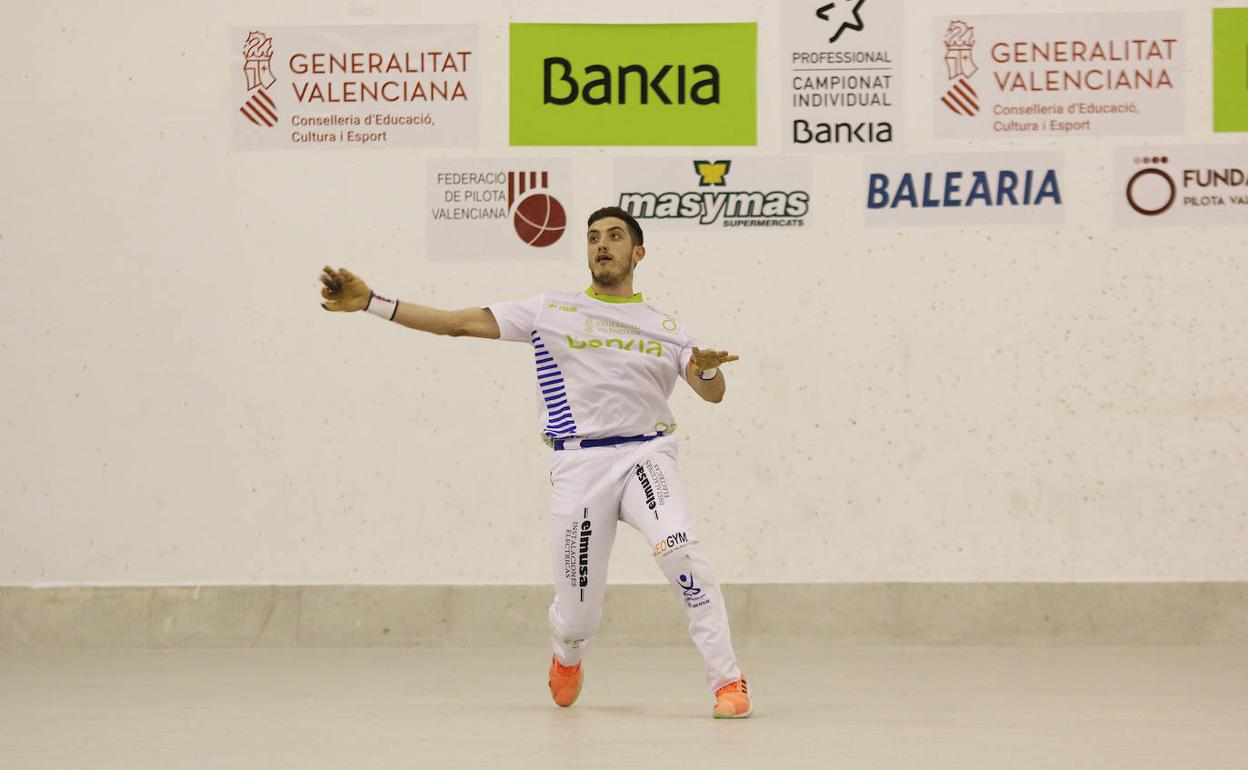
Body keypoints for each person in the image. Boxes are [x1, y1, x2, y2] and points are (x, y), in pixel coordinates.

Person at [318, 206, 751, 718]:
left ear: (638, 253)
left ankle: (727, 682)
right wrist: (371, 302)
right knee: (577, 616)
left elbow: (714, 392)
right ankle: (567, 655)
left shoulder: (668, 327)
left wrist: (701, 373)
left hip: (645, 453)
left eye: (615, 237)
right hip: (579, 465)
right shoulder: (551, 311)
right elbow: (456, 324)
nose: (602, 245)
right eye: (593, 238)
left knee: (680, 551)